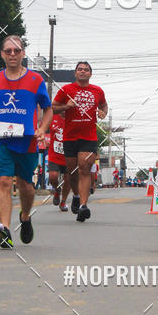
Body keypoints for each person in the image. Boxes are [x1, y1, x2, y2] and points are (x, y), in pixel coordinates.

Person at [0, 35, 52, 248]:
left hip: (27, 140)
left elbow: (48, 109)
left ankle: (25, 216)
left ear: (23, 54)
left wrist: (42, 129)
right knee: (5, 182)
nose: (12, 54)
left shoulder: (36, 80)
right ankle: (4, 229)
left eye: (16, 51)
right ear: (2, 54)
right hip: (1, 139)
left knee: (25, 184)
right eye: (8, 51)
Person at [52, 61, 107, 222]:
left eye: (86, 70)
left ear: (90, 74)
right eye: (80, 69)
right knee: (72, 172)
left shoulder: (97, 91)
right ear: (75, 73)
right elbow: (53, 107)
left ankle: (83, 205)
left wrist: (102, 113)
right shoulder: (66, 90)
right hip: (70, 137)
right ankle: (75, 195)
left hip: (89, 136)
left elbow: (104, 106)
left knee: (84, 166)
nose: (83, 72)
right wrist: (66, 107)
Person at [47, 112, 71, 211]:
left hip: (69, 155)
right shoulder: (53, 116)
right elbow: (44, 125)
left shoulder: (72, 119)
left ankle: (63, 202)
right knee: (53, 177)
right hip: (54, 155)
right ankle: (57, 189)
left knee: (68, 179)